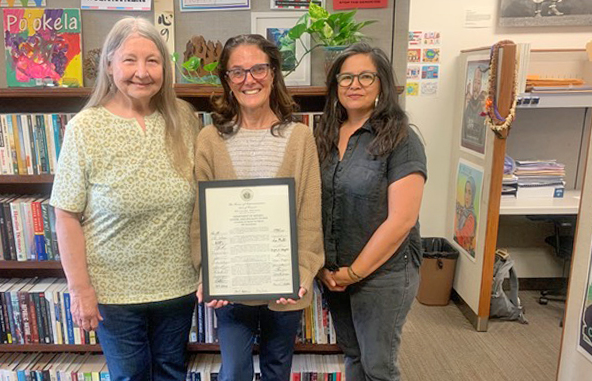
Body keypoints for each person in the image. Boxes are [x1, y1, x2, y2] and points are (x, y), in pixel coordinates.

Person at [50, 17, 200, 381]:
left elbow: (203, 200)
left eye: (153, 60)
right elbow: (66, 214)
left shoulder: (184, 118)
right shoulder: (86, 127)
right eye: (130, 60)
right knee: (130, 376)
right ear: (109, 64)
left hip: (178, 287)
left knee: (171, 373)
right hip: (114, 293)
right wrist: (79, 289)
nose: (142, 72)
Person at [190, 34, 324, 381]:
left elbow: (310, 214)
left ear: (274, 73)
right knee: (233, 371)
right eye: (238, 71)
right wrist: (209, 272)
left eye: (258, 69)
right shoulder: (209, 139)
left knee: (277, 368)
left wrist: (304, 271)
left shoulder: (299, 138)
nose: (249, 79)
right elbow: (199, 218)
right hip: (231, 289)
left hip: (285, 286)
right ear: (227, 80)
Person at [315, 42, 427, 381]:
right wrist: (326, 268)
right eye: (345, 78)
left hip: (383, 275)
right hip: (335, 275)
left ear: (382, 85)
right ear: (335, 86)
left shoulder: (402, 139)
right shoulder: (324, 133)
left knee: (379, 367)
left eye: (366, 76)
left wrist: (355, 272)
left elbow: (402, 220)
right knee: (353, 356)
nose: (354, 85)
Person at [454, 177, 477, 256]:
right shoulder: (463, 211)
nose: (466, 196)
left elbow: (461, 238)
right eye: (465, 191)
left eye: (470, 193)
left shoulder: (471, 218)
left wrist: (456, 224)